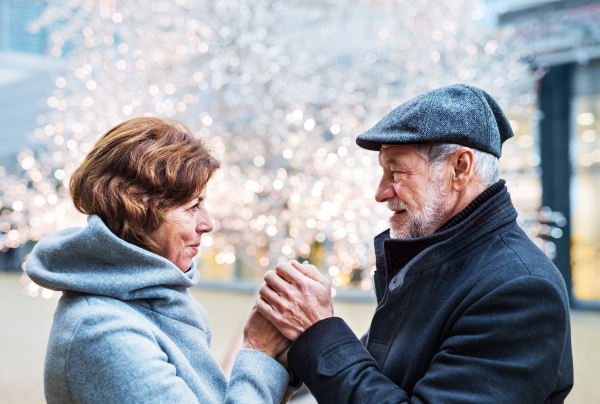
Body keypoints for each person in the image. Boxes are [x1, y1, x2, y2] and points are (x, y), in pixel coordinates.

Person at [256, 84, 574, 403]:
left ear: (459, 168)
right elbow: (374, 379)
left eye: (395, 171)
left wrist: (319, 332)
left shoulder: (520, 290)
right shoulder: (431, 265)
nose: (380, 192)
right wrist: (297, 347)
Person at [27, 117, 295, 404]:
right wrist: (259, 350)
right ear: (137, 210)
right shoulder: (103, 332)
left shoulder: (151, 304)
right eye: (193, 207)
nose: (208, 224)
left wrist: (279, 362)